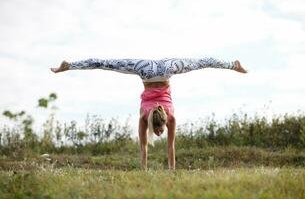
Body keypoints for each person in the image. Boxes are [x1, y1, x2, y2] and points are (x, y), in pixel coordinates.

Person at [50, 57, 247, 170]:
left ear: (159, 123)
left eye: (159, 131)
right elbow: (168, 148)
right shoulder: (152, 117)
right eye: (161, 131)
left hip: (148, 68)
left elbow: (147, 149)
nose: (160, 133)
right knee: (201, 63)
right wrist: (171, 172)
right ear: (161, 123)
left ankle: (69, 66)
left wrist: (153, 172)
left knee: (105, 64)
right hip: (162, 67)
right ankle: (233, 65)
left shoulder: (152, 118)